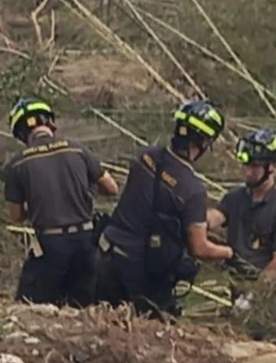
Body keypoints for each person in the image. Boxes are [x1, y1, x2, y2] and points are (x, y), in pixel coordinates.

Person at [95, 99, 236, 320]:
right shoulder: (193, 190)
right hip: (141, 273)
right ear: (203, 142)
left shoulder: (145, 156)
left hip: (106, 253)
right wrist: (229, 252)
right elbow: (199, 248)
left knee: (103, 323)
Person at [2, 97, 119, 307]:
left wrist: (38, 203)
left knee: (29, 308)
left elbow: (16, 216)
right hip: (85, 241)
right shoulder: (78, 148)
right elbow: (111, 188)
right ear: (50, 123)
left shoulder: (17, 164)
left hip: (50, 246)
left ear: (20, 134)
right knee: (83, 308)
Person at [208, 128, 276, 340]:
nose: (247, 171)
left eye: (254, 166)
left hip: (269, 295)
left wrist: (252, 298)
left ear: (273, 167)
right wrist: (194, 221)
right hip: (238, 286)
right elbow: (216, 217)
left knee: (260, 339)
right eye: (245, 165)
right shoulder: (235, 198)